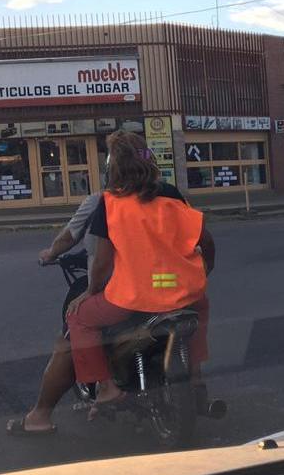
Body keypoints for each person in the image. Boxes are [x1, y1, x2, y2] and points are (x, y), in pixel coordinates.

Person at [66, 131, 215, 409]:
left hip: (132, 297)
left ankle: (107, 388)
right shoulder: (171, 194)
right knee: (200, 309)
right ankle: (196, 377)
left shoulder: (109, 203)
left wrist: (90, 292)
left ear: (113, 167)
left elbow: (102, 263)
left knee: (78, 317)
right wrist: (205, 271)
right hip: (181, 291)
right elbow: (205, 240)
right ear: (149, 159)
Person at [6, 192, 102, 436]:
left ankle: (40, 416)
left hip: (120, 292)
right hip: (172, 288)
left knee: (71, 334)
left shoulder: (104, 202)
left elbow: (72, 238)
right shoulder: (171, 197)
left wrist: (51, 253)